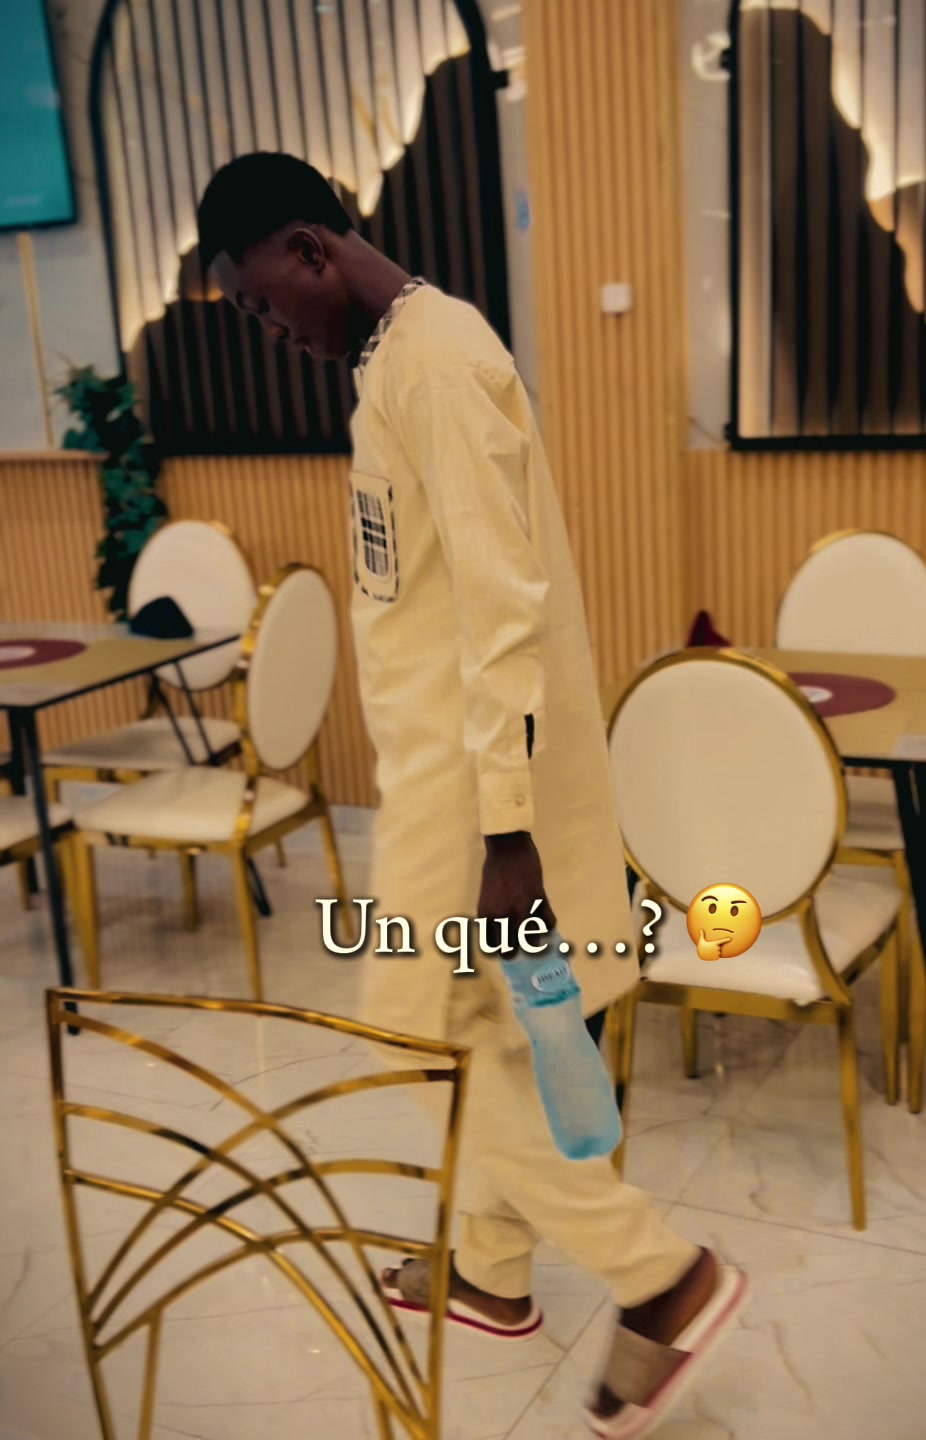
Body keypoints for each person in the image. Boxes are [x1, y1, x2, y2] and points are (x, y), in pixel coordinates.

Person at [197, 152, 747, 1437]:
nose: (272, 331)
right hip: (445, 772)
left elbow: (506, 613)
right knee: (495, 1033)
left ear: (312, 249)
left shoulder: (437, 362)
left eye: (266, 303)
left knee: (422, 1034)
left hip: (471, 785)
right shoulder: (395, 359)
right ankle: (494, 1274)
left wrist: (505, 831)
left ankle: (662, 1278)